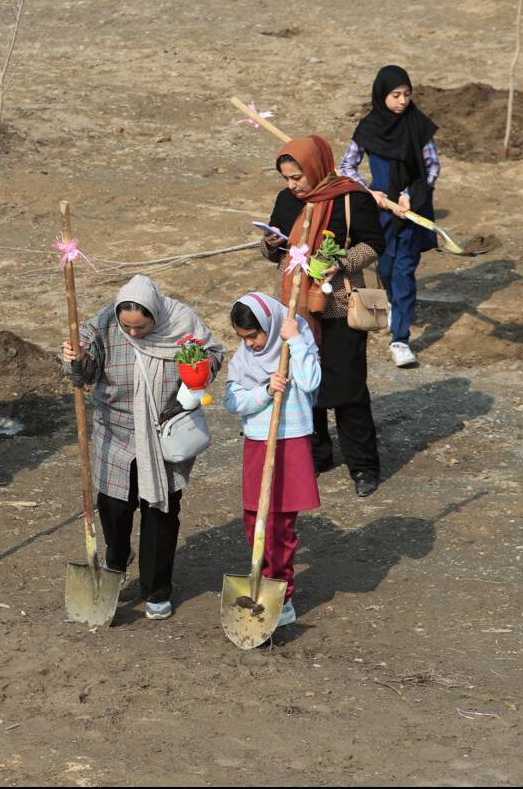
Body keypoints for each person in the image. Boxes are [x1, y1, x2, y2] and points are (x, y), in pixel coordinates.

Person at [61, 274, 225, 620]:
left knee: (160, 513)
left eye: (141, 327)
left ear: (155, 315)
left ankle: (157, 589)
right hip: (115, 432)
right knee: (114, 508)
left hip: (163, 433)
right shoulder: (104, 323)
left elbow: (213, 353)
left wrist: (200, 369)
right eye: (128, 327)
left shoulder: (180, 320)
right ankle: (116, 560)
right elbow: (84, 373)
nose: (134, 333)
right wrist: (75, 358)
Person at [261, 134, 385, 497]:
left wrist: (340, 264)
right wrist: (269, 246)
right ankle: (317, 453)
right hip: (297, 307)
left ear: (315, 168)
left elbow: (374, 243)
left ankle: (363, 465)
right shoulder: (287, 201)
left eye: (297, 177)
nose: (292, 185)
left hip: (339, 306)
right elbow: (278, 245)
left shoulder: (351, 198)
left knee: (347, 386)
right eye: (286, 178)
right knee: (302, 380)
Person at [223, 292, 321, 627]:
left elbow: (310, 382)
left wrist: (294, 342)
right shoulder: (245, 358)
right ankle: (260, 579)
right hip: (258, 443)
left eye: (253, 336)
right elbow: (232, 401)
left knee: (280, 526)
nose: (250, 344)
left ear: (269, 325)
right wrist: (263, 392)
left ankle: (283, 594)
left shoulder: (296, 336)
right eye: (244, 338)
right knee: (255, 521)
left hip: (290, 439)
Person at [339, 65, 441, 368]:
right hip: (380, 213)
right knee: (383, 266)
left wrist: (411, 193)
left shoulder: (418, 126)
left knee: (404, 272)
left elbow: (432, 166)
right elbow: (347, 167)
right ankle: (393, 306)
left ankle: (400, 340)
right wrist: (370, 194)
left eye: (407, 94)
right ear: (382, 95)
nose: (402, 101)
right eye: (396, 95)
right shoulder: (368, 128)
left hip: (412, 211)